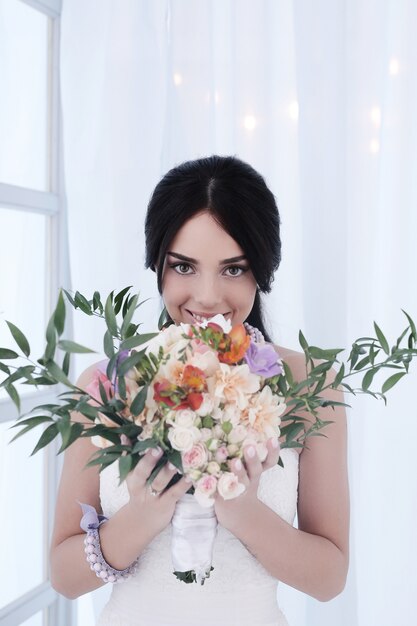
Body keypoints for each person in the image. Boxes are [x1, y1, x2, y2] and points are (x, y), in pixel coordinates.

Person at [50, 155, 349, 625]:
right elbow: (64, 576)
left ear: (262, 271)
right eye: (184, 267)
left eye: (233, 268)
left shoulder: (310, 386)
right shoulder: (107, 384)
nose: (207, 296)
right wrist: (143, 515)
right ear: (158, 265)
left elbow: (330, 578)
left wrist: (244, 513)